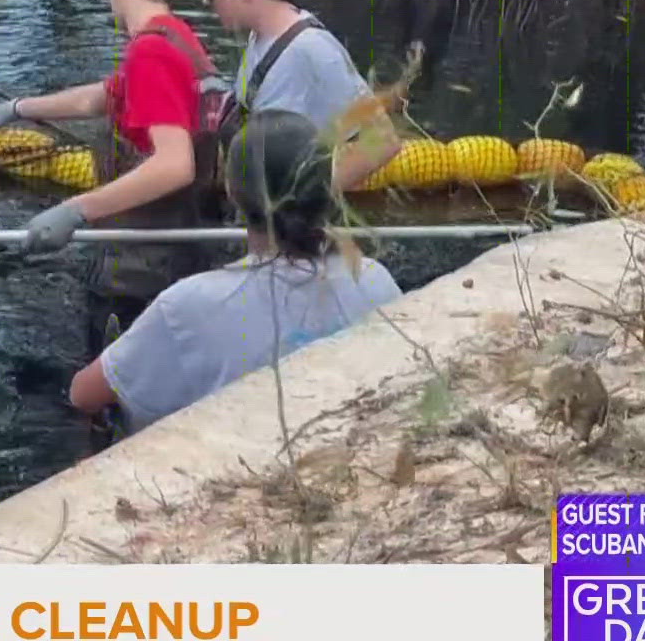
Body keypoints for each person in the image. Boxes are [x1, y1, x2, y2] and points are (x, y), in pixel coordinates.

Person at [0, 0, 225, 360]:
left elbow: (176, 164)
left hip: (142, 271)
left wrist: (76, 209)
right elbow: (101, 98)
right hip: (170, 256)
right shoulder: (174, 37)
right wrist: (18, 108)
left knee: (106, 398)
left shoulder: (151, 53)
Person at [67, 108, 404, 437]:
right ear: (326, 185)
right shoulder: (375, 279)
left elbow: (83, 395)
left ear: (231, 189)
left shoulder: (190, 304)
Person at [197, 0, 401, 187]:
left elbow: (383, 140)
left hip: (287, 221)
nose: (206, 1)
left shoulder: (313, 49)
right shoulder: (258, 37)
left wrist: (309, 198)